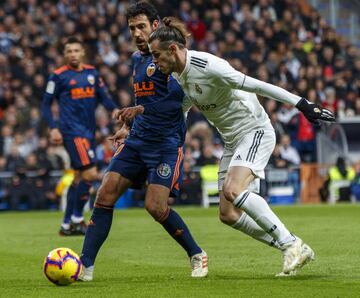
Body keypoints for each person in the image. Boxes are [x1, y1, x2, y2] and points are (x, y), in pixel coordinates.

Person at [123, 16, 335, 276]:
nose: (154, 62)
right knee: (228, 214)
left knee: (233, 191)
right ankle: (291, 244)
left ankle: (291, 244)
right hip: (232, 140)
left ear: (173, 50)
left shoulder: (208, 65)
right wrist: (143, 129)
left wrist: (302, 104)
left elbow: (257, 84)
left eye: (157, 55)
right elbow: (179, 111)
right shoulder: (177, 77)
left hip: (254, 130)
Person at [79, 2, 207, 281]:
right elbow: (144, 100)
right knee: (105, 194)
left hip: (165, 144)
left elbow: (175, 103)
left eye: (141, 27)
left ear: (155, 25)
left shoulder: (169, 57)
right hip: (137, 140)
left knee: (155, 207)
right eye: (132, 29)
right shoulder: (137, 60)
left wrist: (141, 111)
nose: (136, 33)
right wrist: (128, 126)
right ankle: (84, 265)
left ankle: (196, 253)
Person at [41, 37, 119, 235]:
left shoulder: (92, 73)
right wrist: (53, 128)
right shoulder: (58, 76)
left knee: (78, 178)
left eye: (76, 50)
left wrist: (114, 110)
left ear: (82, 52)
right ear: (64, 54)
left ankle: (67, 225)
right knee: (91, 174)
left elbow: (104, 97)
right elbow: (45, 104)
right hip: (72, 132)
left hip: (88, 132)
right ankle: (77, 219)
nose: (73, 54)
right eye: (69, 51)